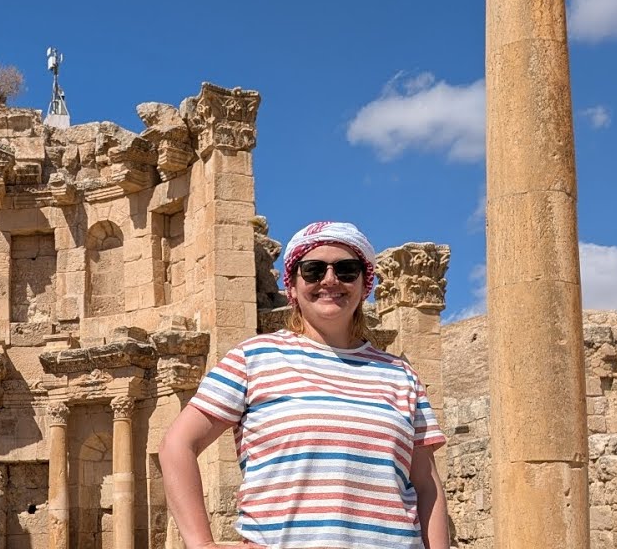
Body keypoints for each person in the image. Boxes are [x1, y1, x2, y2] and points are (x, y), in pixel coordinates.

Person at [158, 221, 448, 548]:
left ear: (364, 284)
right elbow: (176, 446)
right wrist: (201, 544)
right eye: (312, 270)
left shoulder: (401, 375)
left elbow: (427, 485)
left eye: (346, 270)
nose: (329, 279)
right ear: (292, 287)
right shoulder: (254, 358)